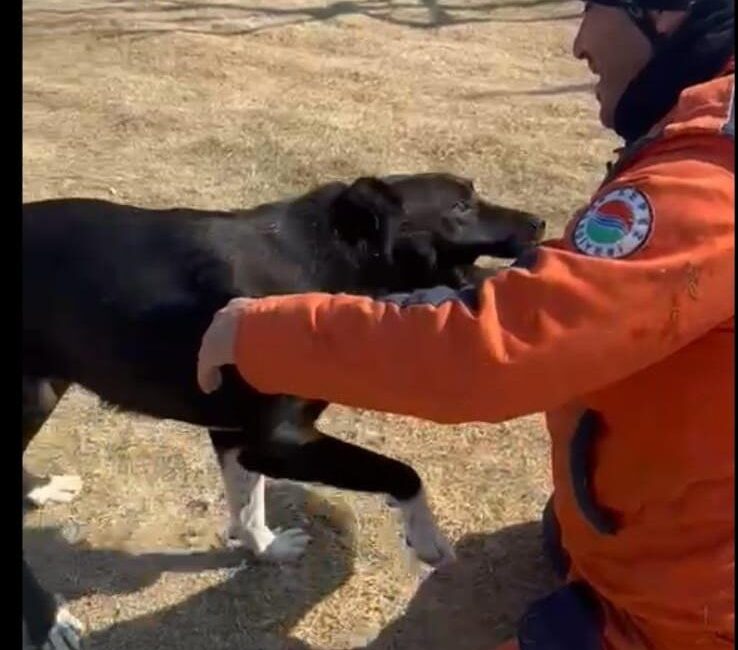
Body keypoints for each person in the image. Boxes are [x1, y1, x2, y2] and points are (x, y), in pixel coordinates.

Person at [195, 0, 735, 646]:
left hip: (700, 608)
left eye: (593, 6)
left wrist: (260, 334)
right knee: (564, 535)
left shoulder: (706, 180)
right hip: (662, 500)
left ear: (666, 12)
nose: (578, 44)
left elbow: (494, 350)